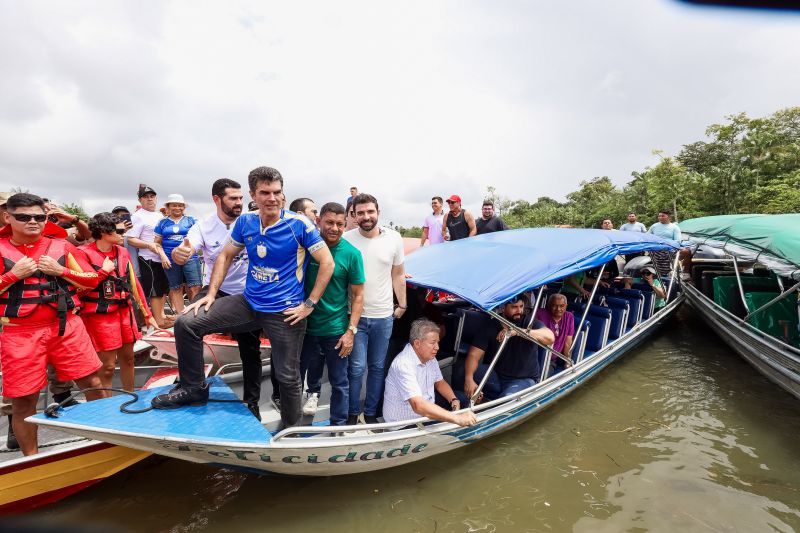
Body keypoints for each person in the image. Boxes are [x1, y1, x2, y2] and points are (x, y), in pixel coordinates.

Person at [152, 167, 334, 428]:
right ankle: (193, 389)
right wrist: (211, 294)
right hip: (249, 302)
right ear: (253, 194)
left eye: (277, 192)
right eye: (265, 193)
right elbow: (225, 255)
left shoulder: (298, 223)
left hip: (285, 311)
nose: (272, 198)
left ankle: (291, 431)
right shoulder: (245, 222)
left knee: (287, 375)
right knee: (186, 323)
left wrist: (309, 305)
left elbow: (327, 263)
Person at [0, 193, 105, 455]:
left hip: (67, 326)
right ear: (7, 217)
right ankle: (30, 459)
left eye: (39, 217)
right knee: (24, 400)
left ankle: (106, 442)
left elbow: (92, 279)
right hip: (19, 333)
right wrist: (13, 275)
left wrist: (62, 272)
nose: (33, 222)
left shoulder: (61, 246)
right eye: (24, 217)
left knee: (93, 383)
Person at [169, 178, 265, 416]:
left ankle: (251, 402)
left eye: (241, 198)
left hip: (248, 293)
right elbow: (187, 247)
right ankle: (192, 385)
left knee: (249, 349)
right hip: (216, 289)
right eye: (233, 198)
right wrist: (180, 253)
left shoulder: (253, 222)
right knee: (185, 323)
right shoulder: (204, 225)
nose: (239, 203)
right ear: (216, 199)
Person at [343, 193, 407, 424]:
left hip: (384, 316)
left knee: (378, 367)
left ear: (378, 212)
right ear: (354, 215)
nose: (366, 216)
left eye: (370, 211)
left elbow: (398, 274)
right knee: (357, 368)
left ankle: (370, 414)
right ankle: (351, 414)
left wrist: (402, 304)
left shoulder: (394, 238)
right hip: (355, 316)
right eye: (360, 212)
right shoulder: (346, 239)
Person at [299, 202, 365, 425]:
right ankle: (294, 418)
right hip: (303, 326)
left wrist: (351, 331)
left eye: (339, 224)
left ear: (345, 225)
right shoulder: (305, 248)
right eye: (329, 222)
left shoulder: (352, 254)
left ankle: (338, 425)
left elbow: (358, 296)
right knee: (296, 377)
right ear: (319, 221)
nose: (334, 228)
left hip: (335, 329)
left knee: (340, 381)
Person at [80, 213, 159, 391]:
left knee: (129, 359)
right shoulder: (83, 253)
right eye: (120, 231)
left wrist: (147, 314)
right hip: (100, 315)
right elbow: (80, 286)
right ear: (103, 231)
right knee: (107, 366)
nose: (124, 234)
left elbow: (134, 283)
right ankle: (105, 406)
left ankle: (130, 396)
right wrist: (103, 271)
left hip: (125, 312)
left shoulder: (122, 252)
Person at [383, 319, 476, 426]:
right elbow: (418, 405)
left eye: (438, 342)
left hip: (424, 409)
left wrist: (454, 400)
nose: (437, 347)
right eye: (432, 343)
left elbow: (440, 383)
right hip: (406, 423)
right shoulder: (403, 364)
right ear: (417, 343)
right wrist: (456, 418)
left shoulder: (430, 358)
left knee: (462, 399)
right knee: (452, 420)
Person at [461, 295, 554, 403]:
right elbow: (473, 355)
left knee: (506, 399)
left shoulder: (528, 322)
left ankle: (490, 409)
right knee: (461, 371)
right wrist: (469, 378)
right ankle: (468, 402)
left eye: (521, 306)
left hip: (524, 379)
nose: (519, 310)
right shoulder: (491, 325)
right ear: (503, 308)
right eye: (514, 307)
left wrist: (517, 331)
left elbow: (550, 337)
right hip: (496, 374)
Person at [126, 185, 173, 328]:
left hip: (163, 258)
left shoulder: (160, 215)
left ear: (156, 198)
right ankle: (158, 320)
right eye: (146, 197)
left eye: (152, 196)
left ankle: (162, 316)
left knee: (164, 288)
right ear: (140, 200)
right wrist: (149, 245)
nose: (149, 199)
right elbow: (131, 239)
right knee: (155, 290)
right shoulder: (137, 216)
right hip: (148, 258)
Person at [154, 194, 201, 314]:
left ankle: (196, 315)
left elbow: (200, 238)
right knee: (176, 288)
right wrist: (163, 257)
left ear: (184, 207)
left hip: (190, 257)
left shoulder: (191, 220)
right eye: (174, 205)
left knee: (195, 287)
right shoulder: (162, 223)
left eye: (180, 205)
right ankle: (182, 317)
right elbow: (157, 243)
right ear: (168, 207)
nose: (177, 208)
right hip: (170, 259)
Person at [534, 294, 575, 373]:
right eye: (554, 306)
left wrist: (567, 361)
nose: (558, 309)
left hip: (550, 361)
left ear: (566, 306)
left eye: (561, 306)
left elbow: (568, 343)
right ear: (548, 305)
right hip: (536, 357)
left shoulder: (569, 317)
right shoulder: (539, 314)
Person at [648, 210, 681, 276]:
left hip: (668, 250)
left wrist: (666, 245)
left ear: (669, 217)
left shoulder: (674, 227)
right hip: (655, 250)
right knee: (653, 267)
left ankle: (665, 277)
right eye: (659, 216)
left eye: (663, 216)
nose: (660, 217)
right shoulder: (654, 226)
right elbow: (647, 237)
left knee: (666, 269)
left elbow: (678, 241)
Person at [112, 205, 139, 277]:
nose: (121, 219)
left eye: (124, 216)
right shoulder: (110, 233)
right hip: (119, 273)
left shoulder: (136, 229)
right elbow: (116, 245)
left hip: (136, 272)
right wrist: (121, 231)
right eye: (117, 216)